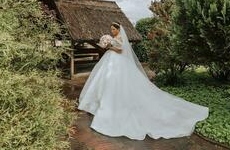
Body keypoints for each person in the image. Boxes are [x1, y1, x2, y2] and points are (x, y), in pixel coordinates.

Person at [78, 22, 209, 140]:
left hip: (118, 61)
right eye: (111, 29)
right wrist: (107, 44)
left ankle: (113, 105)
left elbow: (121, 50)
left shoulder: (120, 38)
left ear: (119, 29)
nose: (112, 31)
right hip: (110, 60)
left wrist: (110, 47)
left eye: (114, 29)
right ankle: (99, 102)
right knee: (104, 79)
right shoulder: (113, 38)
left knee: (117, 82)